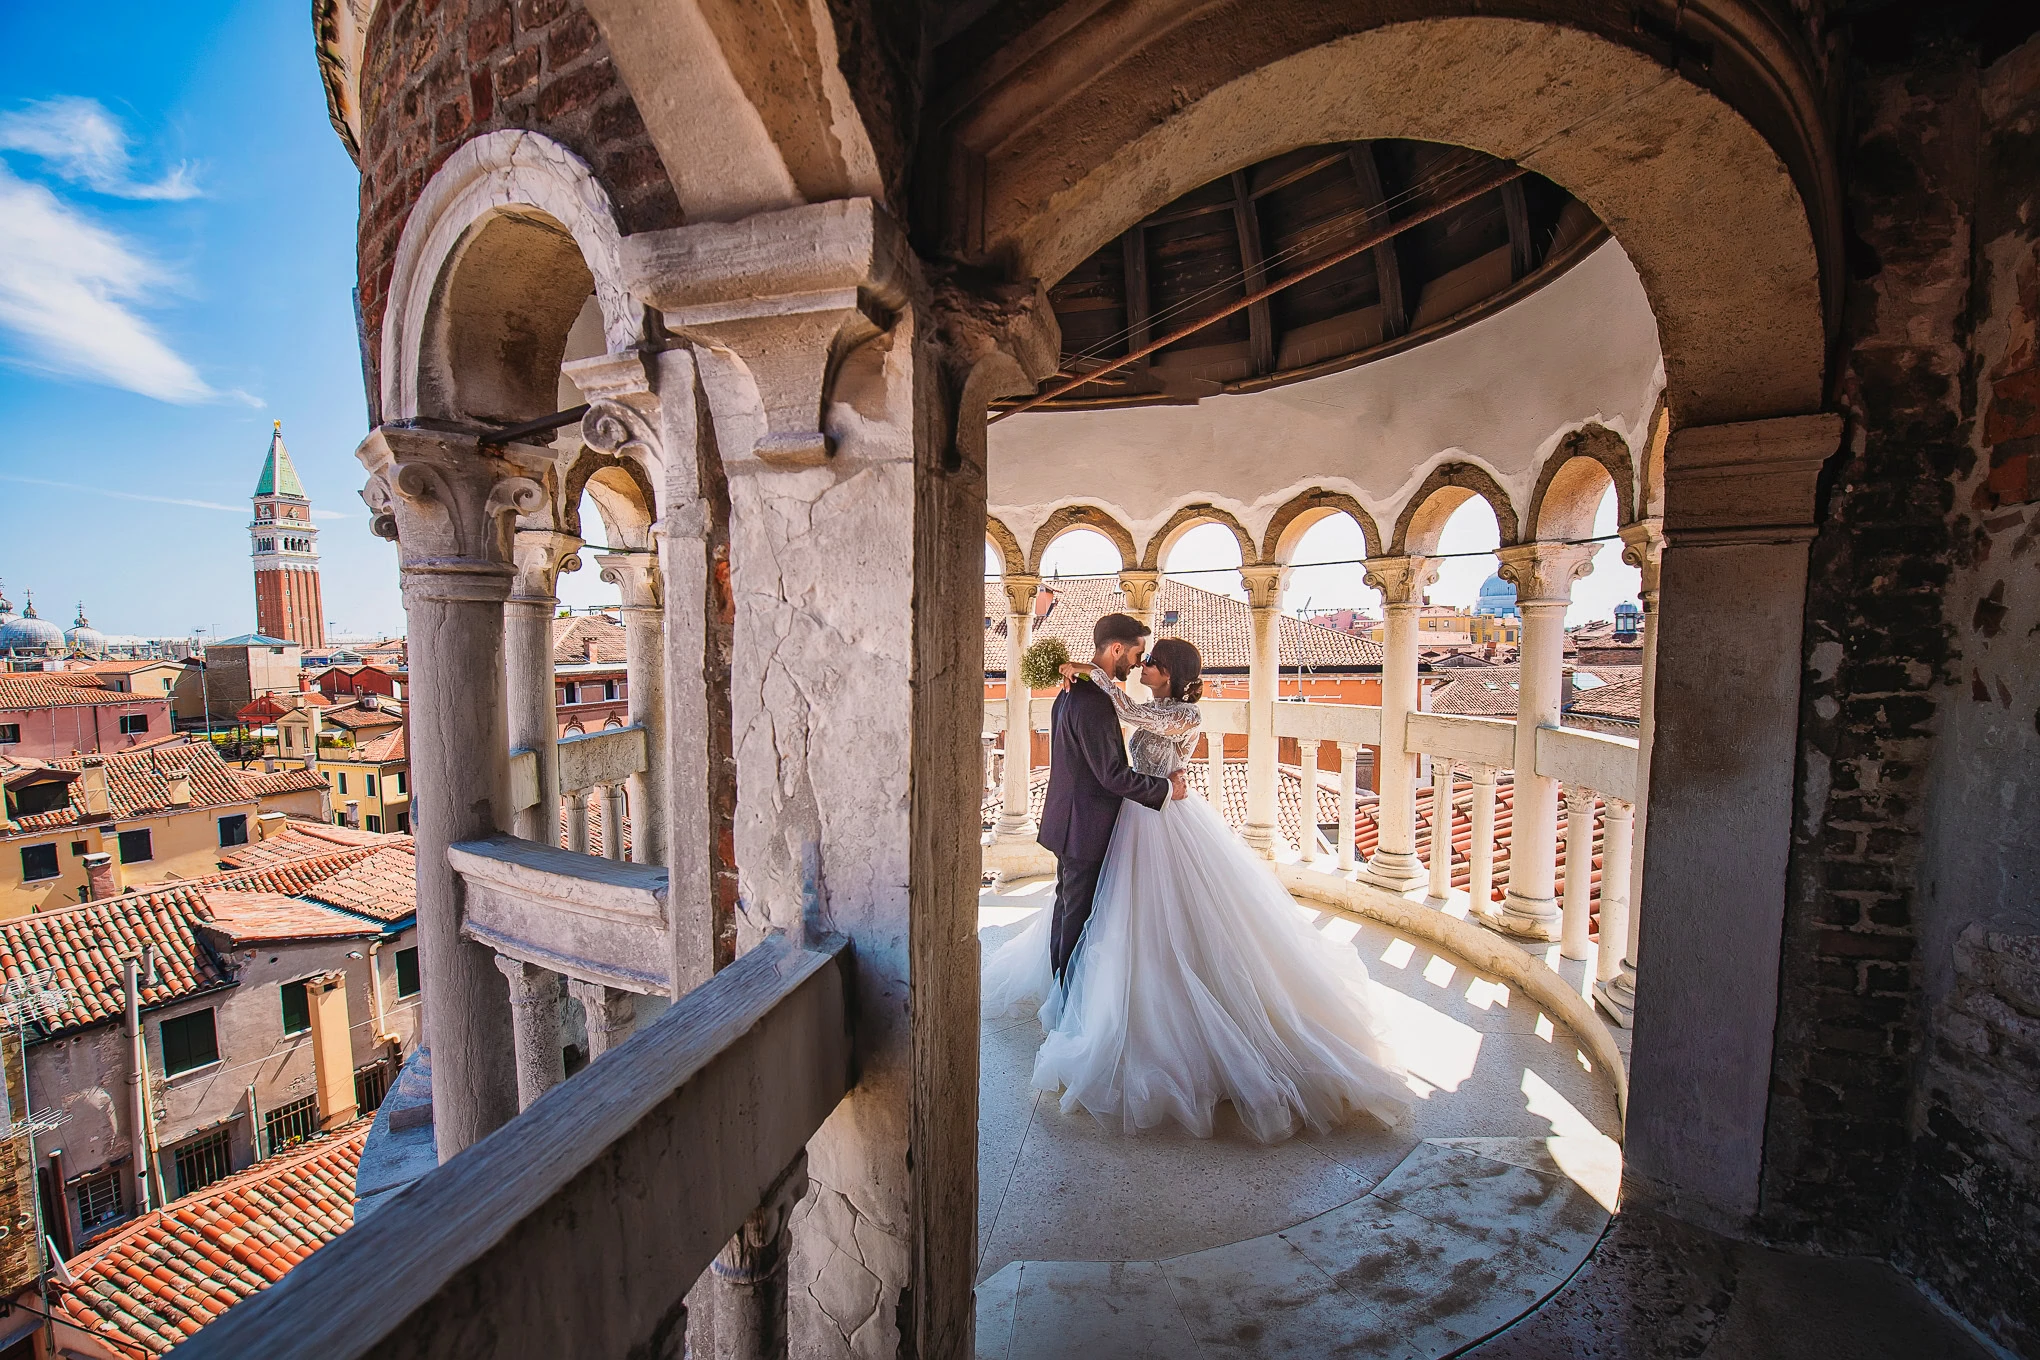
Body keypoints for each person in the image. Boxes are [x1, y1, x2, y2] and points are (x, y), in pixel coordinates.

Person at [984, 635, 1408, 1144]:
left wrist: (1088, 670)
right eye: (1144, 658)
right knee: (1113, 913)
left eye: (1155, 664)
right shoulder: (1154, 704)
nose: (1144, 667)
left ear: (1174, 674)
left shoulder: (1183, 715)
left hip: (1165, 819)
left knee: (1171, 918)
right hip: (1136, 816)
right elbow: (1124, 724)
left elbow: (1125, 711)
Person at [1032, 613, 1188, 982]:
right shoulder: (1094, 700)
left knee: (1068, 906)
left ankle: (1061, 987)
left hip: (1068, 820)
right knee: (1078, 915)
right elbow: (1112, 775)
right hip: (1085, 827)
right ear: (1117, 648)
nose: (1137, 665)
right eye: (1136, 654)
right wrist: (1167, 788)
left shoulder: (1071, 691)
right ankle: (1068, 996)